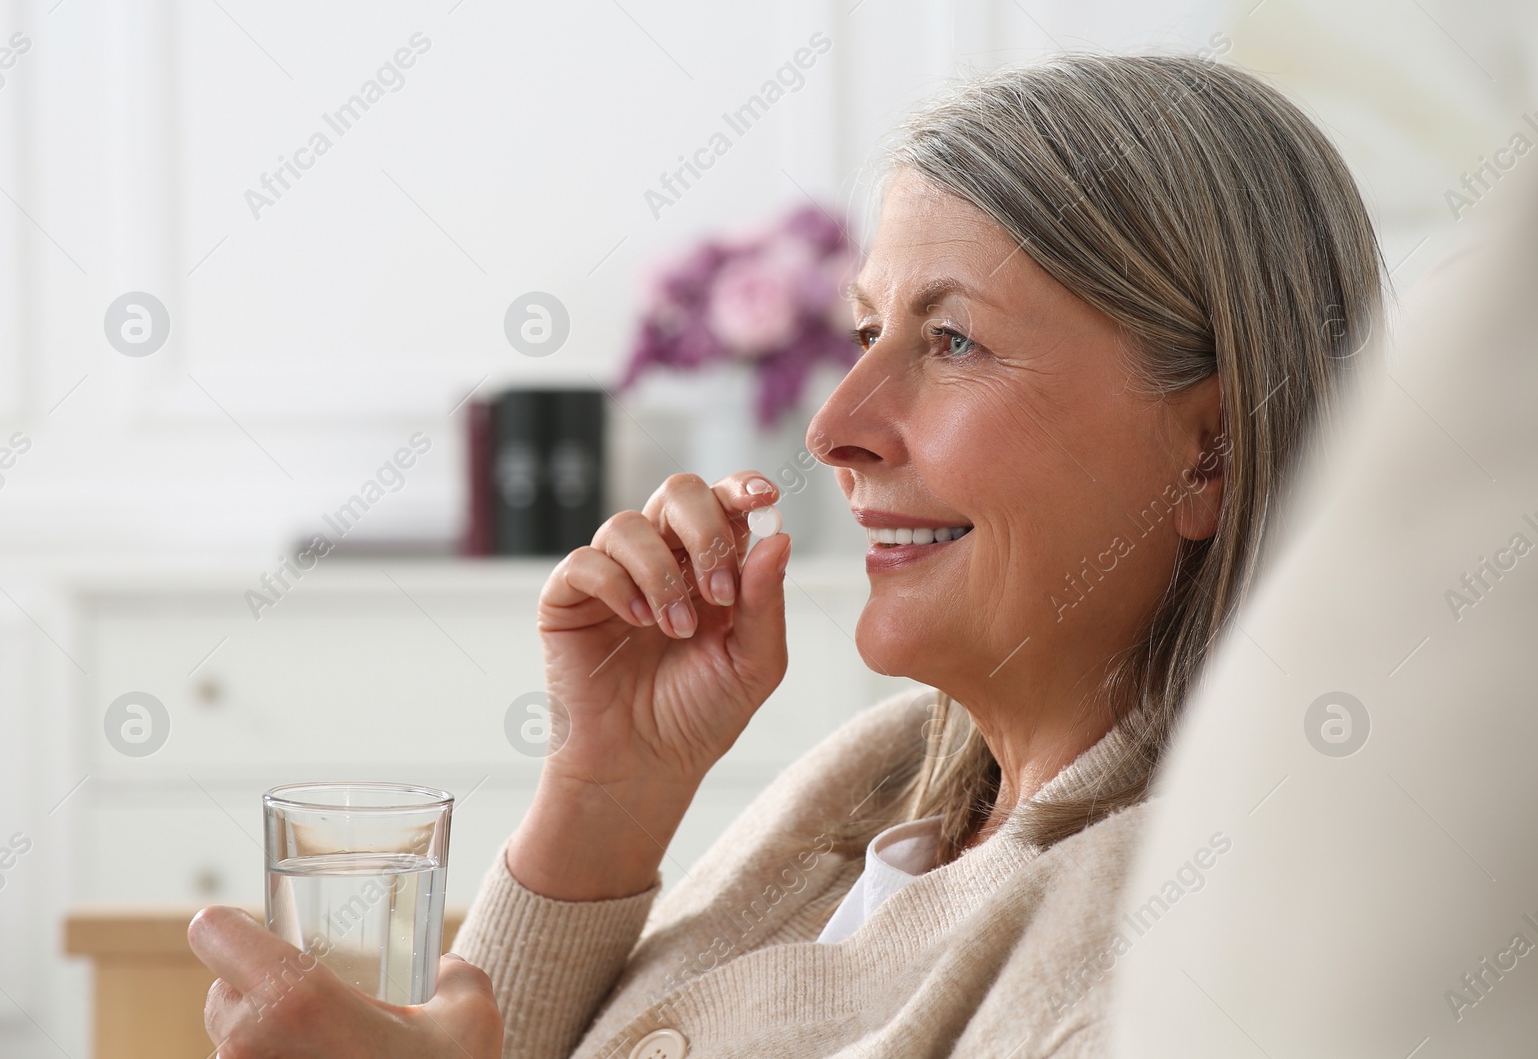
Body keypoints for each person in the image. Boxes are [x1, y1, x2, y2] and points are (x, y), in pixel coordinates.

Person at [188, 52, 1385, 1058]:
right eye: (867, 330)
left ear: (1211, 451)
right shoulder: (872, 778)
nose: (834, 427)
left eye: (953, 339)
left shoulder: (1194, 920)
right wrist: (605, 797)